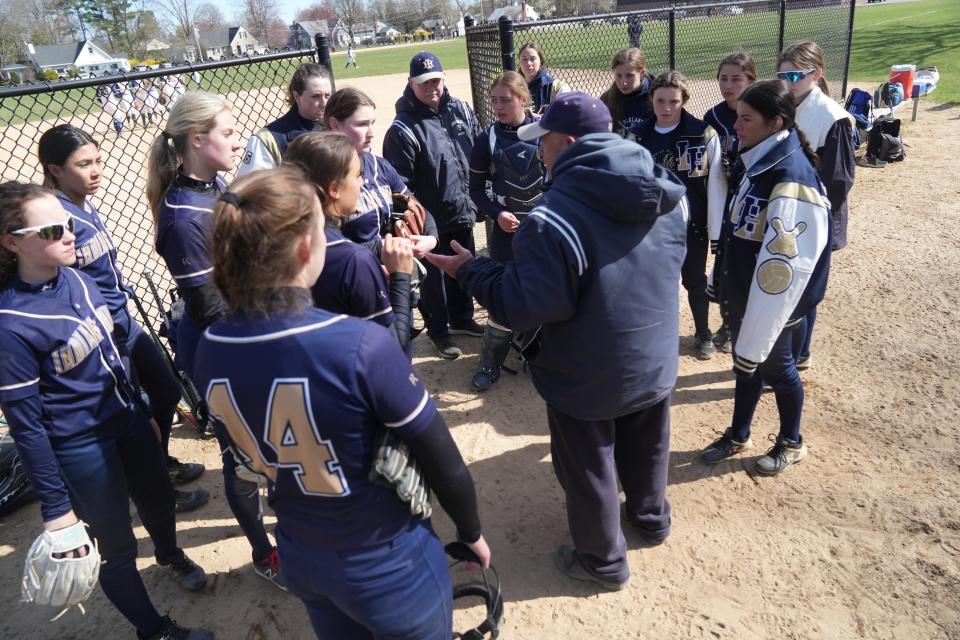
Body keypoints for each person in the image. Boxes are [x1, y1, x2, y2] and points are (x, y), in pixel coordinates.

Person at [193, 166, 491, 639]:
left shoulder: (210, 345)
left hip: (300, 551)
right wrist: (470, 530)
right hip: (383, 557)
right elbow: (442, 458)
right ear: (306, 249)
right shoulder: (357, 344)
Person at [427, 93, 687, 591]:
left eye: (543, 142)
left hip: (585, 372)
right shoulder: (666, 190)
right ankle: (651, 520)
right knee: (648, 445)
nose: (538, 152)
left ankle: (604, 561)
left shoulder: (550, 218)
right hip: (654, 356)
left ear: (567, 144)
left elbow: (526, 307)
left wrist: (471, 269)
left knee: (588, 466)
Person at [0, 182, 211, 640]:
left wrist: (142, 411)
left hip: (126, 419)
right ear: (12, 241)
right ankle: (153, 631)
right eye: (54, 228)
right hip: (81, 446)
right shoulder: (12, 326)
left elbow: (113, 356)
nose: (71, 233)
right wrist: (57, 509)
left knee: (158, 499)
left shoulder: (76, 277)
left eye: (70, 222)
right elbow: (27, 427)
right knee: (116, 546)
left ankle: (170, 554)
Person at [146, 91, 287, 590]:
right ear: (197, 139)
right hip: (223, 352)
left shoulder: (213, 184)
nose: (237, 140)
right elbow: (213, 308)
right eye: (227, 133)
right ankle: (264, 552)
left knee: (271, 446)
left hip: (245, 337)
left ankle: (286, 528)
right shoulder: (184, 217)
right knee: (243, 458)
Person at [37, 124, 208, 514]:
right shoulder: (54, 216)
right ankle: (152, 484)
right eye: (83, 164)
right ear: (54, 170)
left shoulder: (84, 202)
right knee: (136, 411)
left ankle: (158, 464)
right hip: (102, 332)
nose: (96, 170)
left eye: (97, 160)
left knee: (165, 392)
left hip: (122, 321)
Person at [699, 79, 831, 474]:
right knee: (746, 363)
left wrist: (761, 313)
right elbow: (736, 224)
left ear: (775, 123)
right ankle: (740, 432)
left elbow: (786, 266)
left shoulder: (790, 177)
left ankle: (793, 440)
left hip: (773, 302)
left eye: (745, 118)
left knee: (776, 367)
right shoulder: (757, 157)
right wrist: (720, 275)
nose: (736, 126)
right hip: (744, 291)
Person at [382, 51, 483, 360]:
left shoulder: (461, 110)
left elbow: (478, 149)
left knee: (462, 266)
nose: (432, 88)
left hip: (461, 208)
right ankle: (439, 331)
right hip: (431, 221)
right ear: (410, 83)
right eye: (424, 83)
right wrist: (418, 224)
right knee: (434, 280)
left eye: (436, 80)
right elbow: (400, 186)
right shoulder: (403, 129)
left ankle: (463, 318)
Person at [284, 131, 416, 352]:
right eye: (356, 176)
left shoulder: (280, 239)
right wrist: (401, 277)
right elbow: (390, 347)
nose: (362, 182)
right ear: (334, 189)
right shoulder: (354, 260)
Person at [626, 71, 726, 360]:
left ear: (684, 101)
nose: (666, 107)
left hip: (691, 225)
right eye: (660, 101)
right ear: (651, 100)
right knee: (651, 282)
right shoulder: (637, 136)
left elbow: (716, 186)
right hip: (650, 226)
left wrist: (715, 232)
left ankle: (703, 332)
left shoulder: (703, 133)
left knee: (694, 281)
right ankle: (655, 333)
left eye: (673, 101)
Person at [777, 41, 855, 370]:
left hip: (814, 217)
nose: (787, 81)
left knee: (805, 288)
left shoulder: (831, 117)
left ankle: (798, 354)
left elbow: (839, 181)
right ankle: (791, 351)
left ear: (817, 74)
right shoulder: (784, 105)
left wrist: (809, 218)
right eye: (782, 75)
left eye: (795, 74)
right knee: (786, 285)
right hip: (786, 212)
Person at [467, 71, 542, 391]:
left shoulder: (545, 131)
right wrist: (497, 214)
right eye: (493, 100)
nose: (497, 106)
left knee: (547, 291)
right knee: (503, 294)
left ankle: (540, 354)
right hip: (507, 234)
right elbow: (475, 190)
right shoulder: (488, 138)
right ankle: (491, 360)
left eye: (505, 100)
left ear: (523, 100)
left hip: (542, 231)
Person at [321, 87, 437, 259]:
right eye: (361, 124)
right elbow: (327, 248)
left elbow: (415, 206)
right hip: (351, 277)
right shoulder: (322, 175)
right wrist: (382, 246)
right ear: (334, 124)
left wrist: (430, 237)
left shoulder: (380, 166)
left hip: (390, 272)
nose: (371, 133)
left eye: (372, 123)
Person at [704, 52, 757, 354]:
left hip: (754, 200)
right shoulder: (713, 116)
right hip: (726, 201)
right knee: (724, 264)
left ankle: (749, 325)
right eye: (723, 78)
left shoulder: (761, 110)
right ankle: (728, 323)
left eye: (736, 78)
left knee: (748, 264)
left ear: (750, 79)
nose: (728, 84)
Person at [235, 63, 332, 178]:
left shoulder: (335, 126)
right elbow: (249, 188)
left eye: (327, 95)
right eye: (316, 96)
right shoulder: (269, 139)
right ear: (297, 96)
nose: (324, 103)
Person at [600, 48, 655, 136]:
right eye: (619, 76)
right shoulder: (607, 99)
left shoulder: (657, 97)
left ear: (641, 73)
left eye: (629, 76)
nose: (623, 82)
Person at [517, 42, 570, 115]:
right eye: (524, 59)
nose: (528, 63)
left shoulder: (556, 87)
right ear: (519, 62)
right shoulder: (515, 88)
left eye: (532, 59)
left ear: (540, 61)